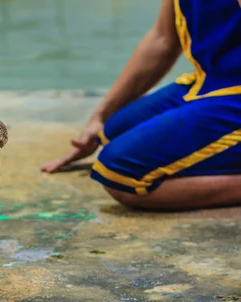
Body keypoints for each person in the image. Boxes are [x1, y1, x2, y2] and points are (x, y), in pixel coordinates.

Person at [41, 0, 241, 210]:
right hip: (212, 80)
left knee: (122, 175)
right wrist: (100, 116)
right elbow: (162, 40)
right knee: (111, 133)